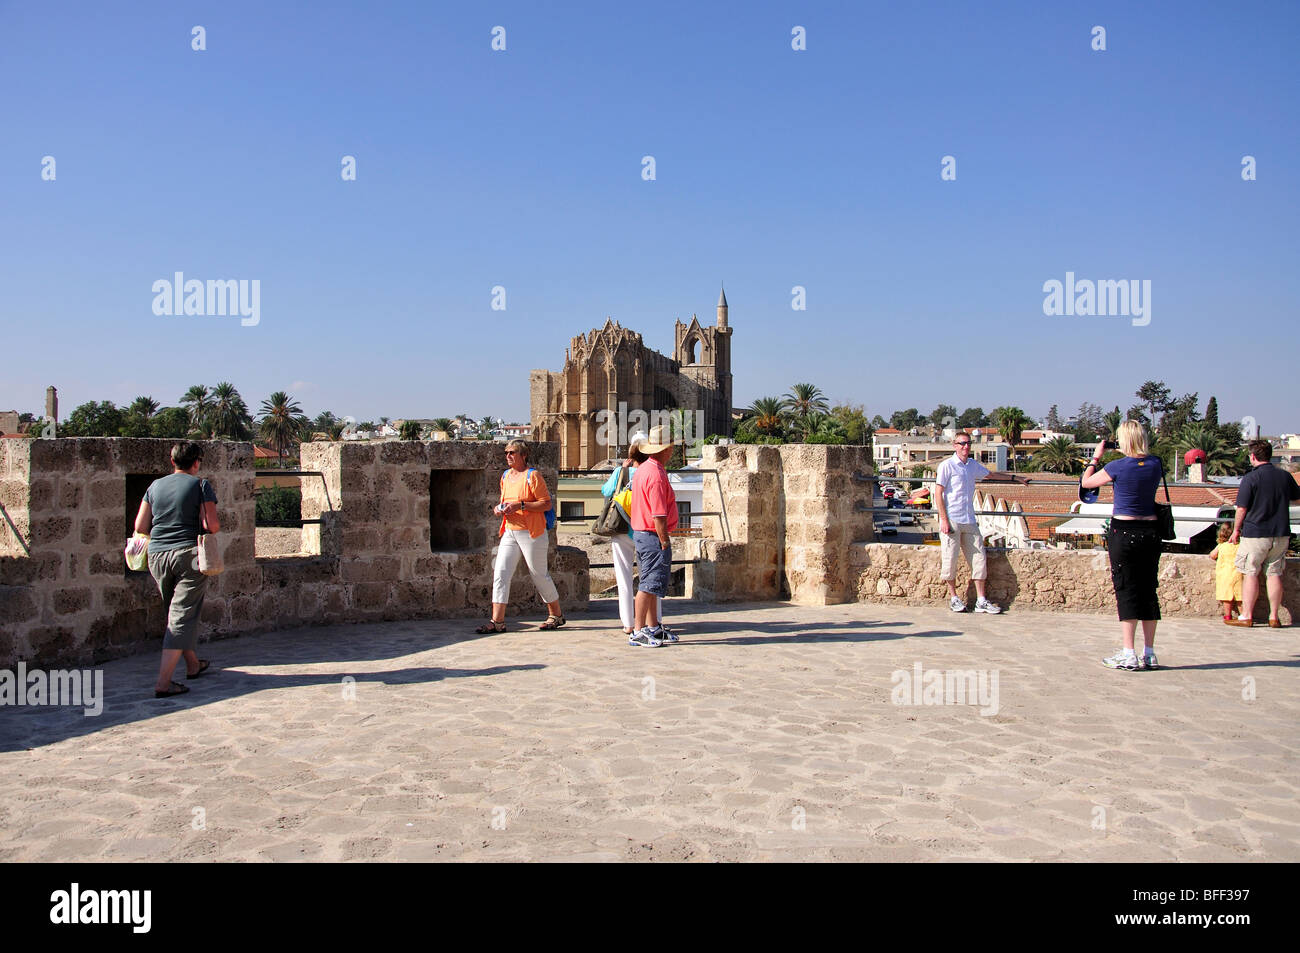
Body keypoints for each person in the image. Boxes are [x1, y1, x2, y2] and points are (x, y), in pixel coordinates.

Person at [135, 441, 219, 698]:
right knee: (181, 616)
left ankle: (193, 664)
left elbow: (140, 525)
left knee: (176, 613)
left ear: (172, 462)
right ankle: (163, 682)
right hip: (188, 556)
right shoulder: (200, 485)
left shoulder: (154, 486)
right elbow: (211, 525)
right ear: (196, 462)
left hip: (157, 556)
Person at [1081, 421, 1164, 670]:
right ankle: (1149, 652)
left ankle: (1129, 653)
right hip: (1151, 531)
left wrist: (1096, 457)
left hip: (1124, 531)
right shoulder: (1156, 463)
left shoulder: (1116, 466)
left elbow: (1087, 484)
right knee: (1149, 589)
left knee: (1126, 588)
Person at [476, 440, 564, 633]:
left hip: (532, 532)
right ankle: (497, 621)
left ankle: (556, 614)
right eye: (506, 452)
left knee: (538, 574)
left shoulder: (532, 476)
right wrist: (499, 509)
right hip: (510, 530)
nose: (508, 456)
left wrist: (521, 505)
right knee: (501, 573)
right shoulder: (505, 476)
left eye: (512, 452)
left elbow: (546, 504)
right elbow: (503, 501)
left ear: (523, 455)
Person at [1226, 440, 1300, 628]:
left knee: (1250, 572)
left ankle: (1247, 615)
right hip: (1281, 532)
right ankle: (1274, 617)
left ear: (1252, 456)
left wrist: (1236, 530)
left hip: (1256, 532)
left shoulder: (1251, 478)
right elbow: (1297, 499)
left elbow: (1241, 508)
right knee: (1274, 573)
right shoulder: (1284, 476)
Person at [598, 433, 666, 636]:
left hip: (621, 531)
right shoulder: (653, 471)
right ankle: (654, 621)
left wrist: (622, 471)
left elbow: (606, 491)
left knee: (624, 578)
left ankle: (629, 623)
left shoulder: (621, 471)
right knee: (651, 577)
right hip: (645, 530)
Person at [934, 433, 1001, 614]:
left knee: (979, 558)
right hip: (952, 519)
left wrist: (1016, 479)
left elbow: (991, 475)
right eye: (962, 443)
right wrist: (944, 519)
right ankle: (954, 598)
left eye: (968, 443)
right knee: (950, 559)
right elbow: (938, 493)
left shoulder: (972, 466)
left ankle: (981, 600)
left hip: (969, 519)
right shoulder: (946, 466)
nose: (966, 447)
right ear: (955, 445)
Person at [628, 426, 678, 647]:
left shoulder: (643, 469)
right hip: (651, 535)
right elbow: (658, 514)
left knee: (652, 583)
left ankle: (653, 627)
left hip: (641, 533)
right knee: (648, 584)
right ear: (665, 449)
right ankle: (638, 631)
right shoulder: (656, 475)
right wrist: (664, 541)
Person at [1208, 522, 1243, 623]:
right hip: (1238, 574)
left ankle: (1228, 616)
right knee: (1240, 597)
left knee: (1227, 597)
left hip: (1225, 575)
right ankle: (1243, 615)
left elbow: (1213, 555)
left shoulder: (1221, 546)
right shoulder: (1240, 546)